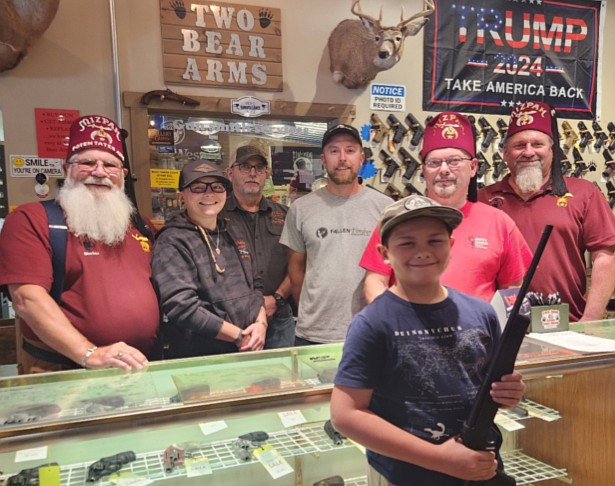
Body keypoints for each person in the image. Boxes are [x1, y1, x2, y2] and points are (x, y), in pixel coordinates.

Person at [331, 195, 526, 486]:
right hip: (404, 476)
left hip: (478, 465)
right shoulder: (372, 324)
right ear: (384, 253)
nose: (422, 251)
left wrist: (510, 392)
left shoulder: (481, 313)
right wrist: (442, 460)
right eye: (407, 243)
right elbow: (346, 415)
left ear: (452, 246)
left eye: (434, 241)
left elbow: (488, 386)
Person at [0, 114, 158, 373]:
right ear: (66, 170)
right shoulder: (32, 220)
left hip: (136, 366)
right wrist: (90, 354)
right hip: (65, 368)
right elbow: (27, 299)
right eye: (86, 162)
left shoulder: (141, 225)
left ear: (123, 175)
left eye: (110, 165)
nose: (99, 172)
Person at [360, 112, 532, 304]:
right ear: (424, 170)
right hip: (410, 332)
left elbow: (512, 288)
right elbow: (375, 280)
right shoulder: (396, 219)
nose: (443, 170)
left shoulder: (500, 223)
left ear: (473, 167)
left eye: (454, 161)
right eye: (434, 162)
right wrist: (390, 324)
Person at [479, 101, 615, 322]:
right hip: (500, 327)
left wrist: (589, 319)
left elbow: (606, 257)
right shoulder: (484, 199)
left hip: (567, 325)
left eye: (538, 144)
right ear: (505, 153)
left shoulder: (584, 193)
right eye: (519, 145)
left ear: (552, 151)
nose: (529, 152)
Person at [280, 124, 392, 345]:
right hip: (312, 334)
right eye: (334, 151)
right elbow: (296, 268)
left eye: (350, 150)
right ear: (323, 159)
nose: (342, 158)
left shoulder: (386, 208)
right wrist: (311, 312)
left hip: (370, 332)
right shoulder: (301, 208)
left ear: (361, 158)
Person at [151, 159, 267, 357]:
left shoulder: (233, 230)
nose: (209, 193)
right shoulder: (171, 241)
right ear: (181, 196)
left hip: (248, 348)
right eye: (197, 187)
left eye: (217, 187)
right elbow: (182, 306)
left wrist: (261, 324)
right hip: (201, 358)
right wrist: (239, 336)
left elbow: (254, 286)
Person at [224, 144, 295, 349]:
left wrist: (277, 298)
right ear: (230, 173)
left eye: (259, 168)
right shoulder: (216, 216)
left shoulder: (286, 215)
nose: (253, 173)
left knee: (282, 379)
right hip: (232, 318)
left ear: (267, 175)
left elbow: (299, 262)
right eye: (245, 167)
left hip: (279, 315)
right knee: (234, 379)